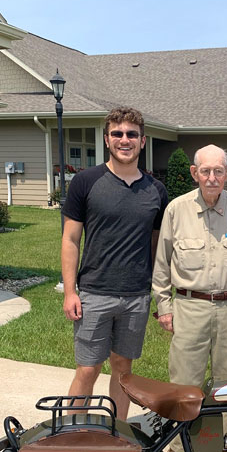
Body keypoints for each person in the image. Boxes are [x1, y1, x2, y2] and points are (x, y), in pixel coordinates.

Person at [152, 144, 227, 452]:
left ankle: (221, 446)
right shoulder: (176, 210)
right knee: (185, 381)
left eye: (218, 171)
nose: (212, 178)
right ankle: (179, 446)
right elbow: (161, 264)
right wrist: (163, 305)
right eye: (205, 171)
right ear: (194, 173)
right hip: (188, 308)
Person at [61, 106, 167, 419]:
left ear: (143, 141)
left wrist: (159, 292)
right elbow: (70, 240)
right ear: (107, 139)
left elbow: (158, 246)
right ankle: (70, 434)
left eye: (131, 134)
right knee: (88, 368)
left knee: (123, 371)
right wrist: (70, 291)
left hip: (136, 296)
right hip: (94, 292)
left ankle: (117, 434)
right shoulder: (86, 182)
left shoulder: (156, 191)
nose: (125, 139)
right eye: (117, 133)